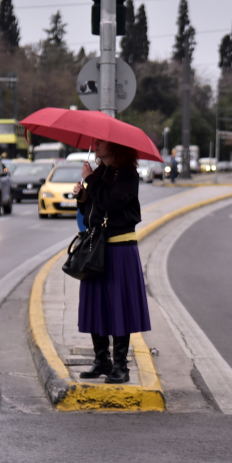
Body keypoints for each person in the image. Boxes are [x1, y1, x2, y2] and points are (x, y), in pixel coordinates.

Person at [72, 139, 150, 384]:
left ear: (115, 147)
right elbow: (92, 212)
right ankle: (101, 360)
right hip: (98, 246)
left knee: (118, 304)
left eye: (100, 142)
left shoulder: (128, 174)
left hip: (120, 247)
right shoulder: (102, 172)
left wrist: (91, 181)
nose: (95, 145)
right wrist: (83, 197)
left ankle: (121, 366)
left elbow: (111, 203)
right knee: (96, 302)